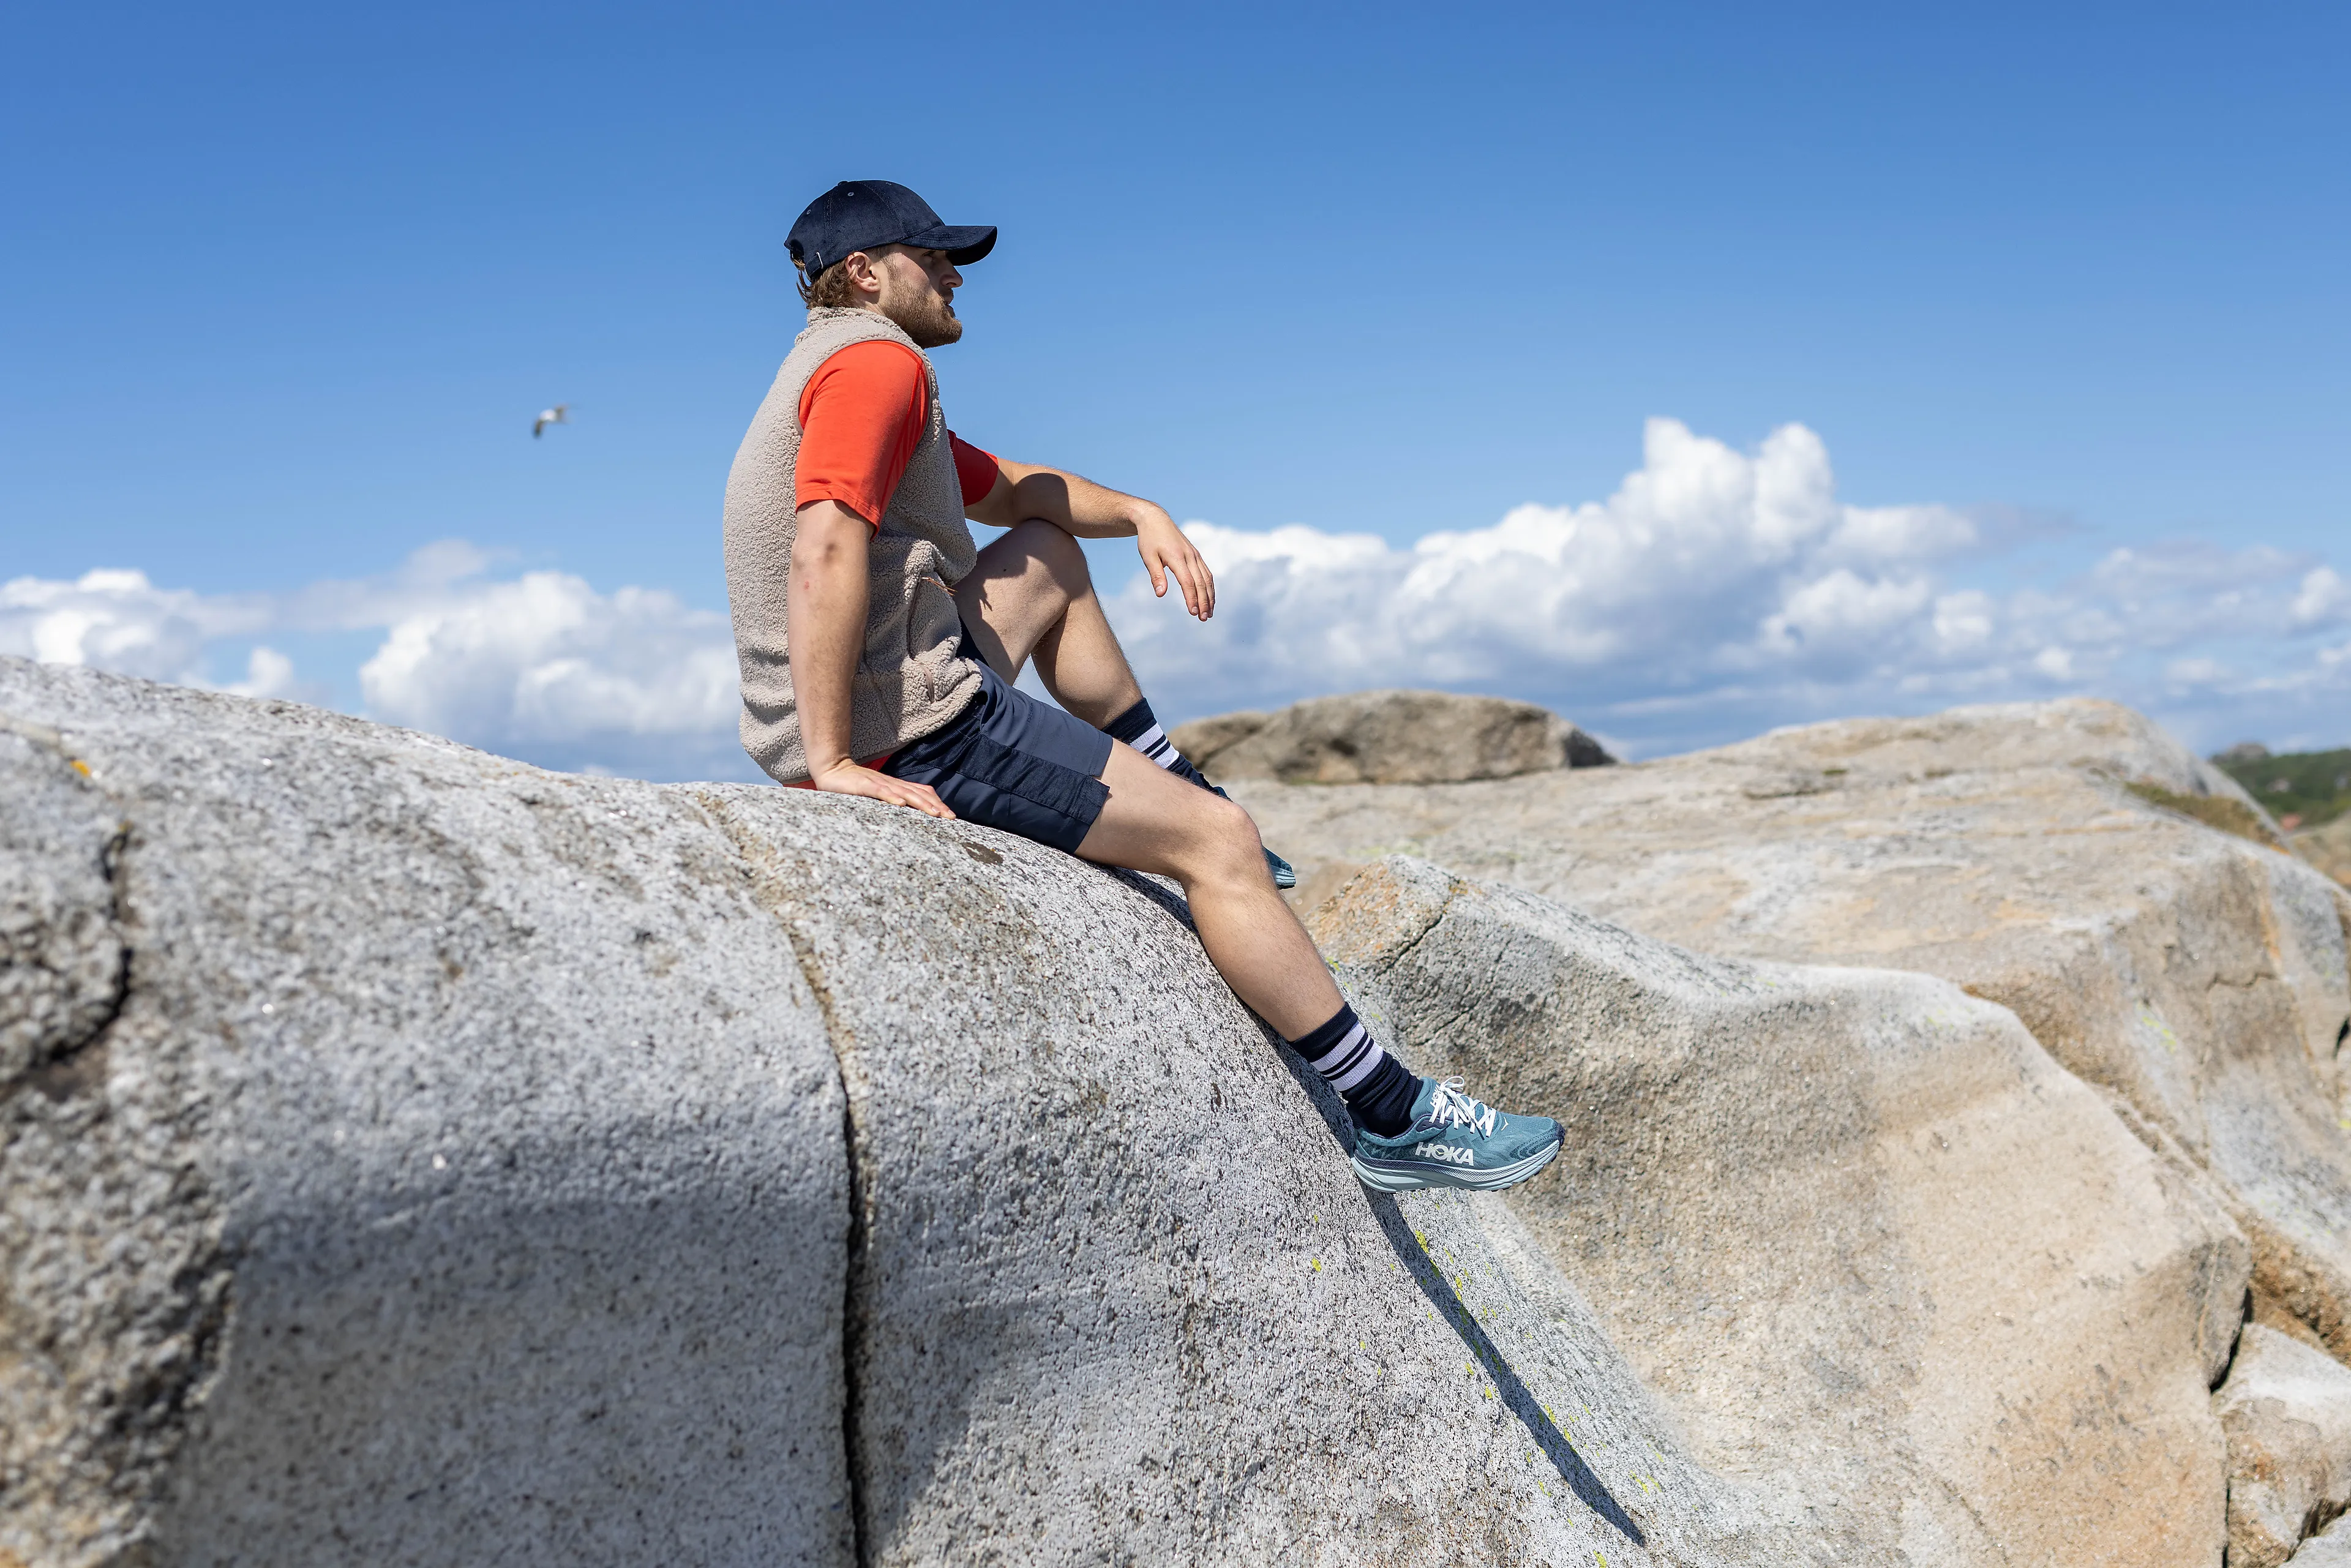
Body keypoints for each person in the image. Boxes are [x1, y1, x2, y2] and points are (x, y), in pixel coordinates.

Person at [722, 180, 1561, 1192]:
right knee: (1221, 848)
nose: (953, 274)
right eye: (932, 256)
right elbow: (822, 550)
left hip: (885, 683)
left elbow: (1016, 491)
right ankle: (1389, 1113)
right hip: (914, 724)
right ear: (864, 274)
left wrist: (1143, 512)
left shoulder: (835, 369)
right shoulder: (876, 366)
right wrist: (833, 763)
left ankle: (1177, 779)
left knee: (1046, 553)